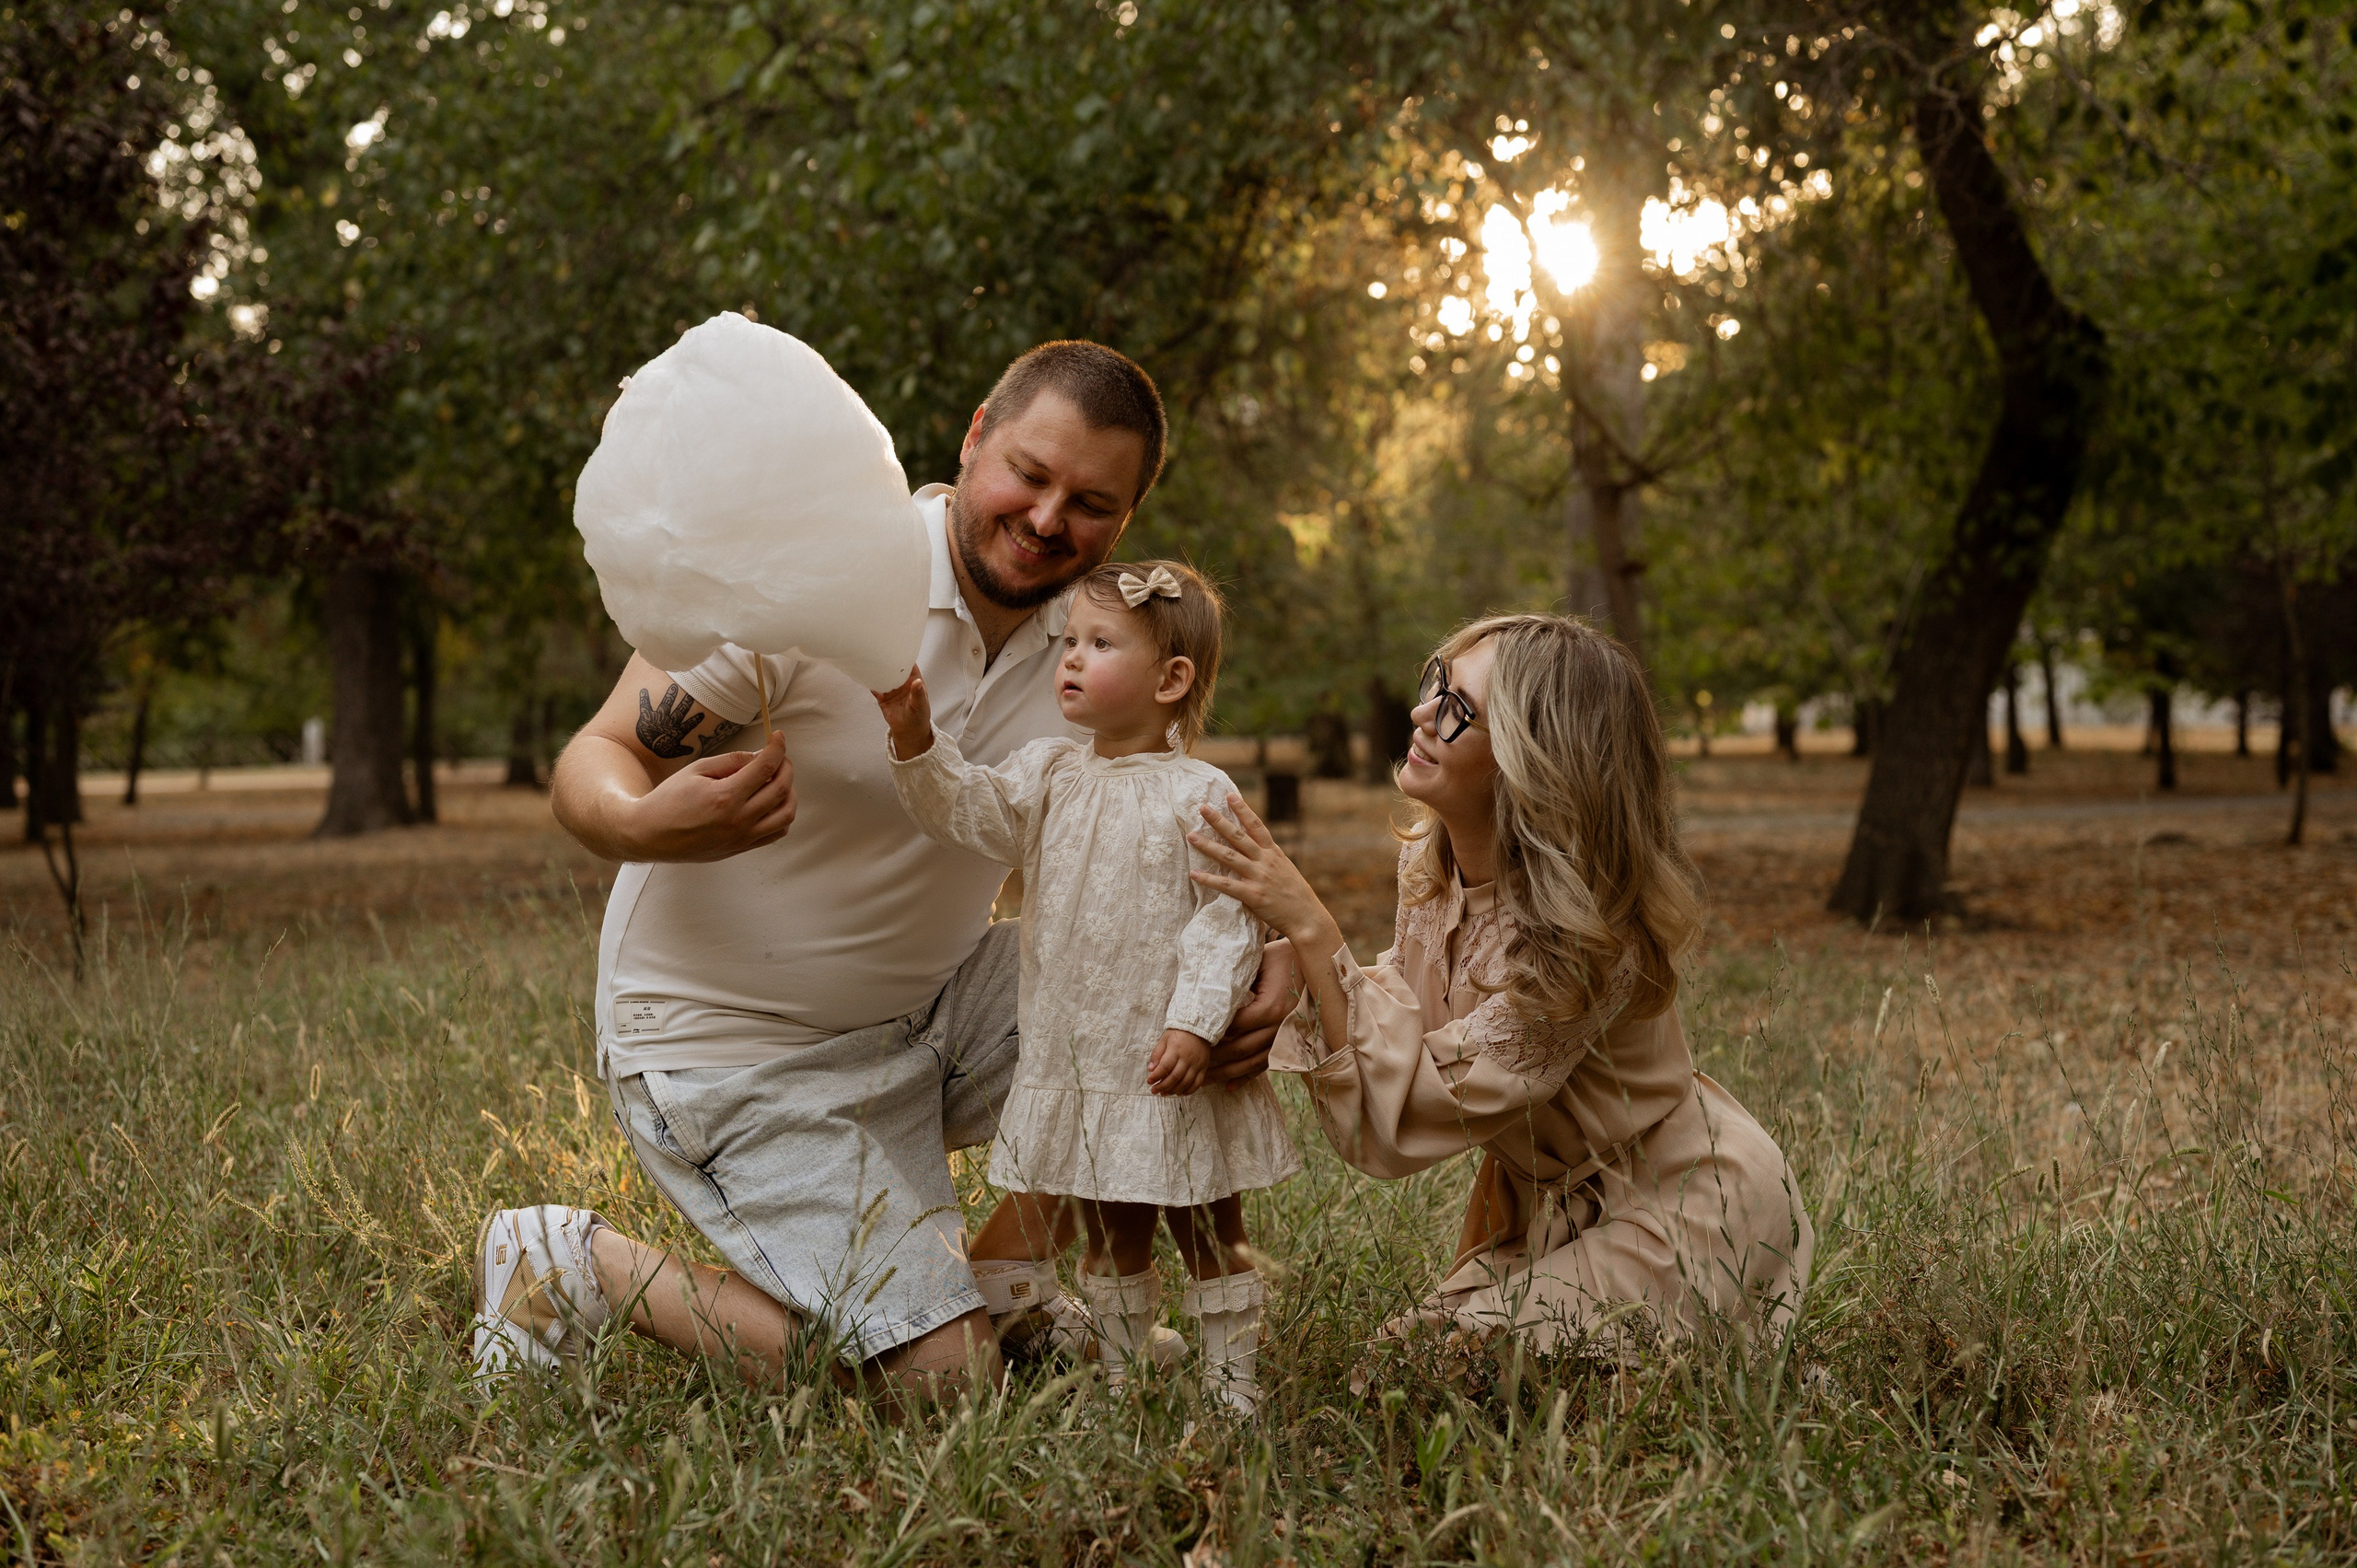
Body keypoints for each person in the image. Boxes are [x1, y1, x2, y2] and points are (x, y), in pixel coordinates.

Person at [469, 343, 1292, 1408]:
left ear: (1126, 517)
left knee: (1191, 987)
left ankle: (1004, 1281)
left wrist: (1270, 961)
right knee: (944, 1387)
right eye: (1029, 473)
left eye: (1091, 502)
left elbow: (1169, 844)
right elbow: (599, 754)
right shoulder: (820, 572)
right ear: (975, 437)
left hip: (931, 1015)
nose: (1048, 518)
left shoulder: (1097, 646)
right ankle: (567, 1263)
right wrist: (644, 822)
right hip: (737, 1050)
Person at [1187, 614, 1813, 1358]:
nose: (1421, 712)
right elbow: (1412, 1011)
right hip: (1551, 1210)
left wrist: (1315, 931)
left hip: (1687, 1206)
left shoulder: (1588, 937)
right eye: (1436, 683)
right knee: (1401, 1361)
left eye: (1458, 710)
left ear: (1533, 762)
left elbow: (1409, 1113)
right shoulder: (1432, 867)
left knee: (1438, 1367)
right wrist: (1298, 966)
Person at [877, 560, 1299, 1414]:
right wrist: (919, 742)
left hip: (1173, 1060)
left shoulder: (1200, 792)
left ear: (1171, 680)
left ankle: (1233, 1383)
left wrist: (1195, 1023)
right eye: (1069, 640)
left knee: (1210, 1225)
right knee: (1111, 1231)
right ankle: (1120, 1378)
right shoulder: (1050, 774)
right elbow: (969, 808)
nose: (1070, 657)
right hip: (1092, 1057)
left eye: (1100, 643)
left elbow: (1228, 919)